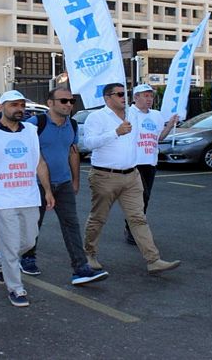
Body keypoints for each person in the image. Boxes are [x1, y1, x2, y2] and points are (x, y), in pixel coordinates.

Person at [80, 82, 181, 275]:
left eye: (125, 94)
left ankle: (153, 260)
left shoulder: (133, 115)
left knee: (138, 218)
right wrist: (115, 132)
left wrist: (169, 124)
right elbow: (89, 143)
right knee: (98, 218)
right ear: (107, 98)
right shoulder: (97, 117)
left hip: (131, 175)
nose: (123, 98)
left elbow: (154, 134)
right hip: (104, 175)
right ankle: (89, 254)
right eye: (119, 94)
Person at [0, 90, 55, 307]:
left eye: (22, 105)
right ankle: (16, 288)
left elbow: (40, 163)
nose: (19, 109)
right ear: (0, 107)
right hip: (1, 196)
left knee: (28, 240)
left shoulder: (31, 131)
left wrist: (47, 190)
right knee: (9, 243)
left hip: (28, 194)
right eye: (14, 105)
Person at [20, 86, 109, 285]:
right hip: (36, 185)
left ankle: (81, 268)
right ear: (50, 103)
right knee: (34, 223)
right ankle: (27, 257)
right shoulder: (35, 123)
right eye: (63, 101)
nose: (68, 104)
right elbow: (27, 152)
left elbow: (73, 152)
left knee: (71, 225)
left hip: (64, 183)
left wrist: (75, 180)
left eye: (71, 101)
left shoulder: (73, 125)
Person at [124, 84, 178, 245]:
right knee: (139, 198)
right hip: (134, 163)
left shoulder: (156, 115)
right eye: (145, 96)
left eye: (151, 96)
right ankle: (133, 229)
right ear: (135, 98)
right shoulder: (129, 112)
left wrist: (170, 125)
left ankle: (133, 227)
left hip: (150, 162)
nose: (149, 99)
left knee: (145, 199)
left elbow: (159, 137)